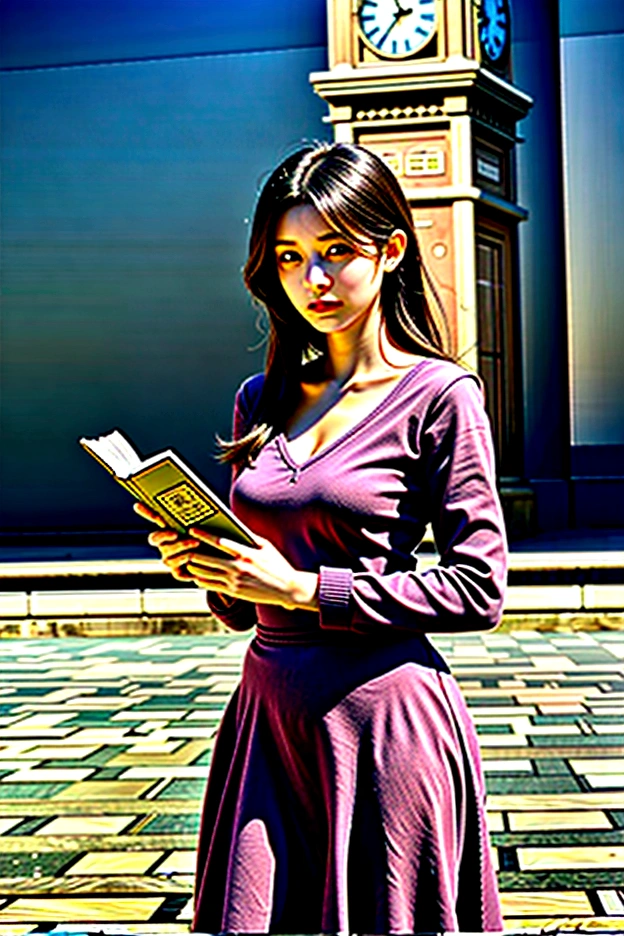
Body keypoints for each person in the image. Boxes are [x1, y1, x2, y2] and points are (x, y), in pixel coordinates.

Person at [136, 141, 507, 934]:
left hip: (382, 725)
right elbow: (243, 606)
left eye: (337, 252)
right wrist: (211, 567)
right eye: (291, 256)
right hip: (266, 722)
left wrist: (305, 588)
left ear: (391, 249)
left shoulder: (440, 396)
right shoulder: (260, 398)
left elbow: (480, 587)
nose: (313, 280)